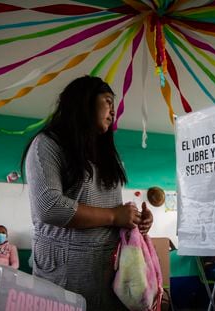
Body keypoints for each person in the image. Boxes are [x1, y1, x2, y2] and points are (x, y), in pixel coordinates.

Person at [22, 75, 153, 310]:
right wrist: (114, 216)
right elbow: (49, 207)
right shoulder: (47, 144)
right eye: (108, 101)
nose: (113, 110)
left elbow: (114, 209)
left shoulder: (110, 157)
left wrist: (134, 221)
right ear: (84, 102)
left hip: (107, 273)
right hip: (62, 273)